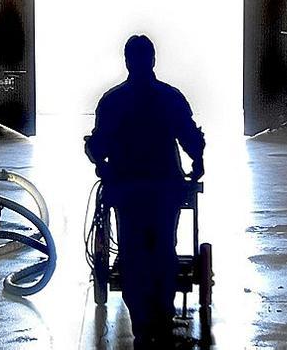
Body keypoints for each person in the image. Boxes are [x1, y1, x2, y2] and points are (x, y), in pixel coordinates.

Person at [85, 34, 205, 347]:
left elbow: (99, 145)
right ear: (153, 60)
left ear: (127, 61)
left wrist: (101, 164)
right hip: (165, 186)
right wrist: (198, 164)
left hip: (128, 188)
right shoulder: (170, 97)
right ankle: (163, 315)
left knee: (132, 252)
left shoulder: (112, 101)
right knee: (164, 246)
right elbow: (190, 136)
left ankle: (141, 321)